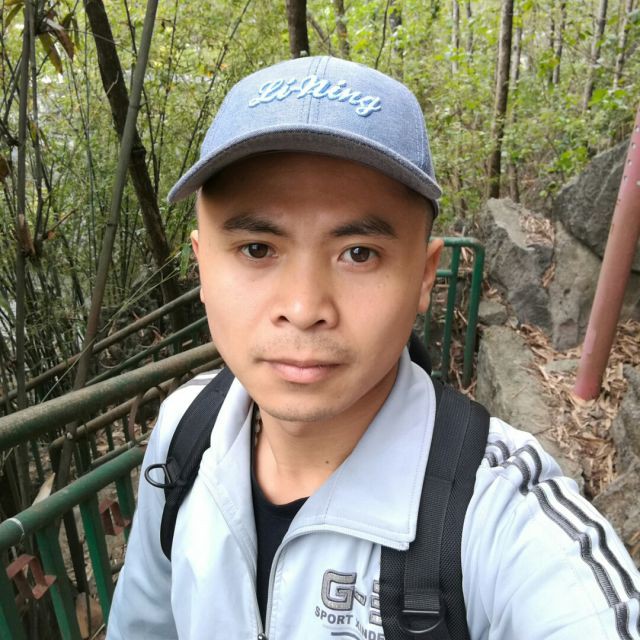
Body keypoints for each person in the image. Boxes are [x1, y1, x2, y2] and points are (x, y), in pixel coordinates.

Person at [107, 56, 640, 640]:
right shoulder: (185, 430)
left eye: (359, 253)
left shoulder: (498, 516)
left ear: (424, 276)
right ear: (202, 266)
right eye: (257, 249)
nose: (304, 307)